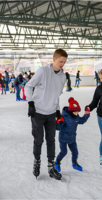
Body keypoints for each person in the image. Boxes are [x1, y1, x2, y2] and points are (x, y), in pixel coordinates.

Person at [24, 48, 67, 180]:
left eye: (64, 62)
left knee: (51, 140)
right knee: (38, 140)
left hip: (51, 113)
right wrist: (30, 103)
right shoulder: (42, 71)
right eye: (60, 61)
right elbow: (28, 86)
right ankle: (37, 162)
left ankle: (50, 166)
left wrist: (58, 110)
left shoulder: (63, 76)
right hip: (38, 112)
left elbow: (56, 95)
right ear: (53, 59)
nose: (62, 64)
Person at [54, 97, 90, 172]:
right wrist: (58, 122)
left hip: (72, 138)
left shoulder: (76, 117)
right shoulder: (64, 117)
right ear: (70, 111)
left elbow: (82, 121)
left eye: (77, 112)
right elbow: (58, 128)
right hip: (63, 138)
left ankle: (74, 163)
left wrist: (86, 114)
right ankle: (57, 161)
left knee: (75, 152)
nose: (77, 114)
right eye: (75, 112)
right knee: (64, 152)